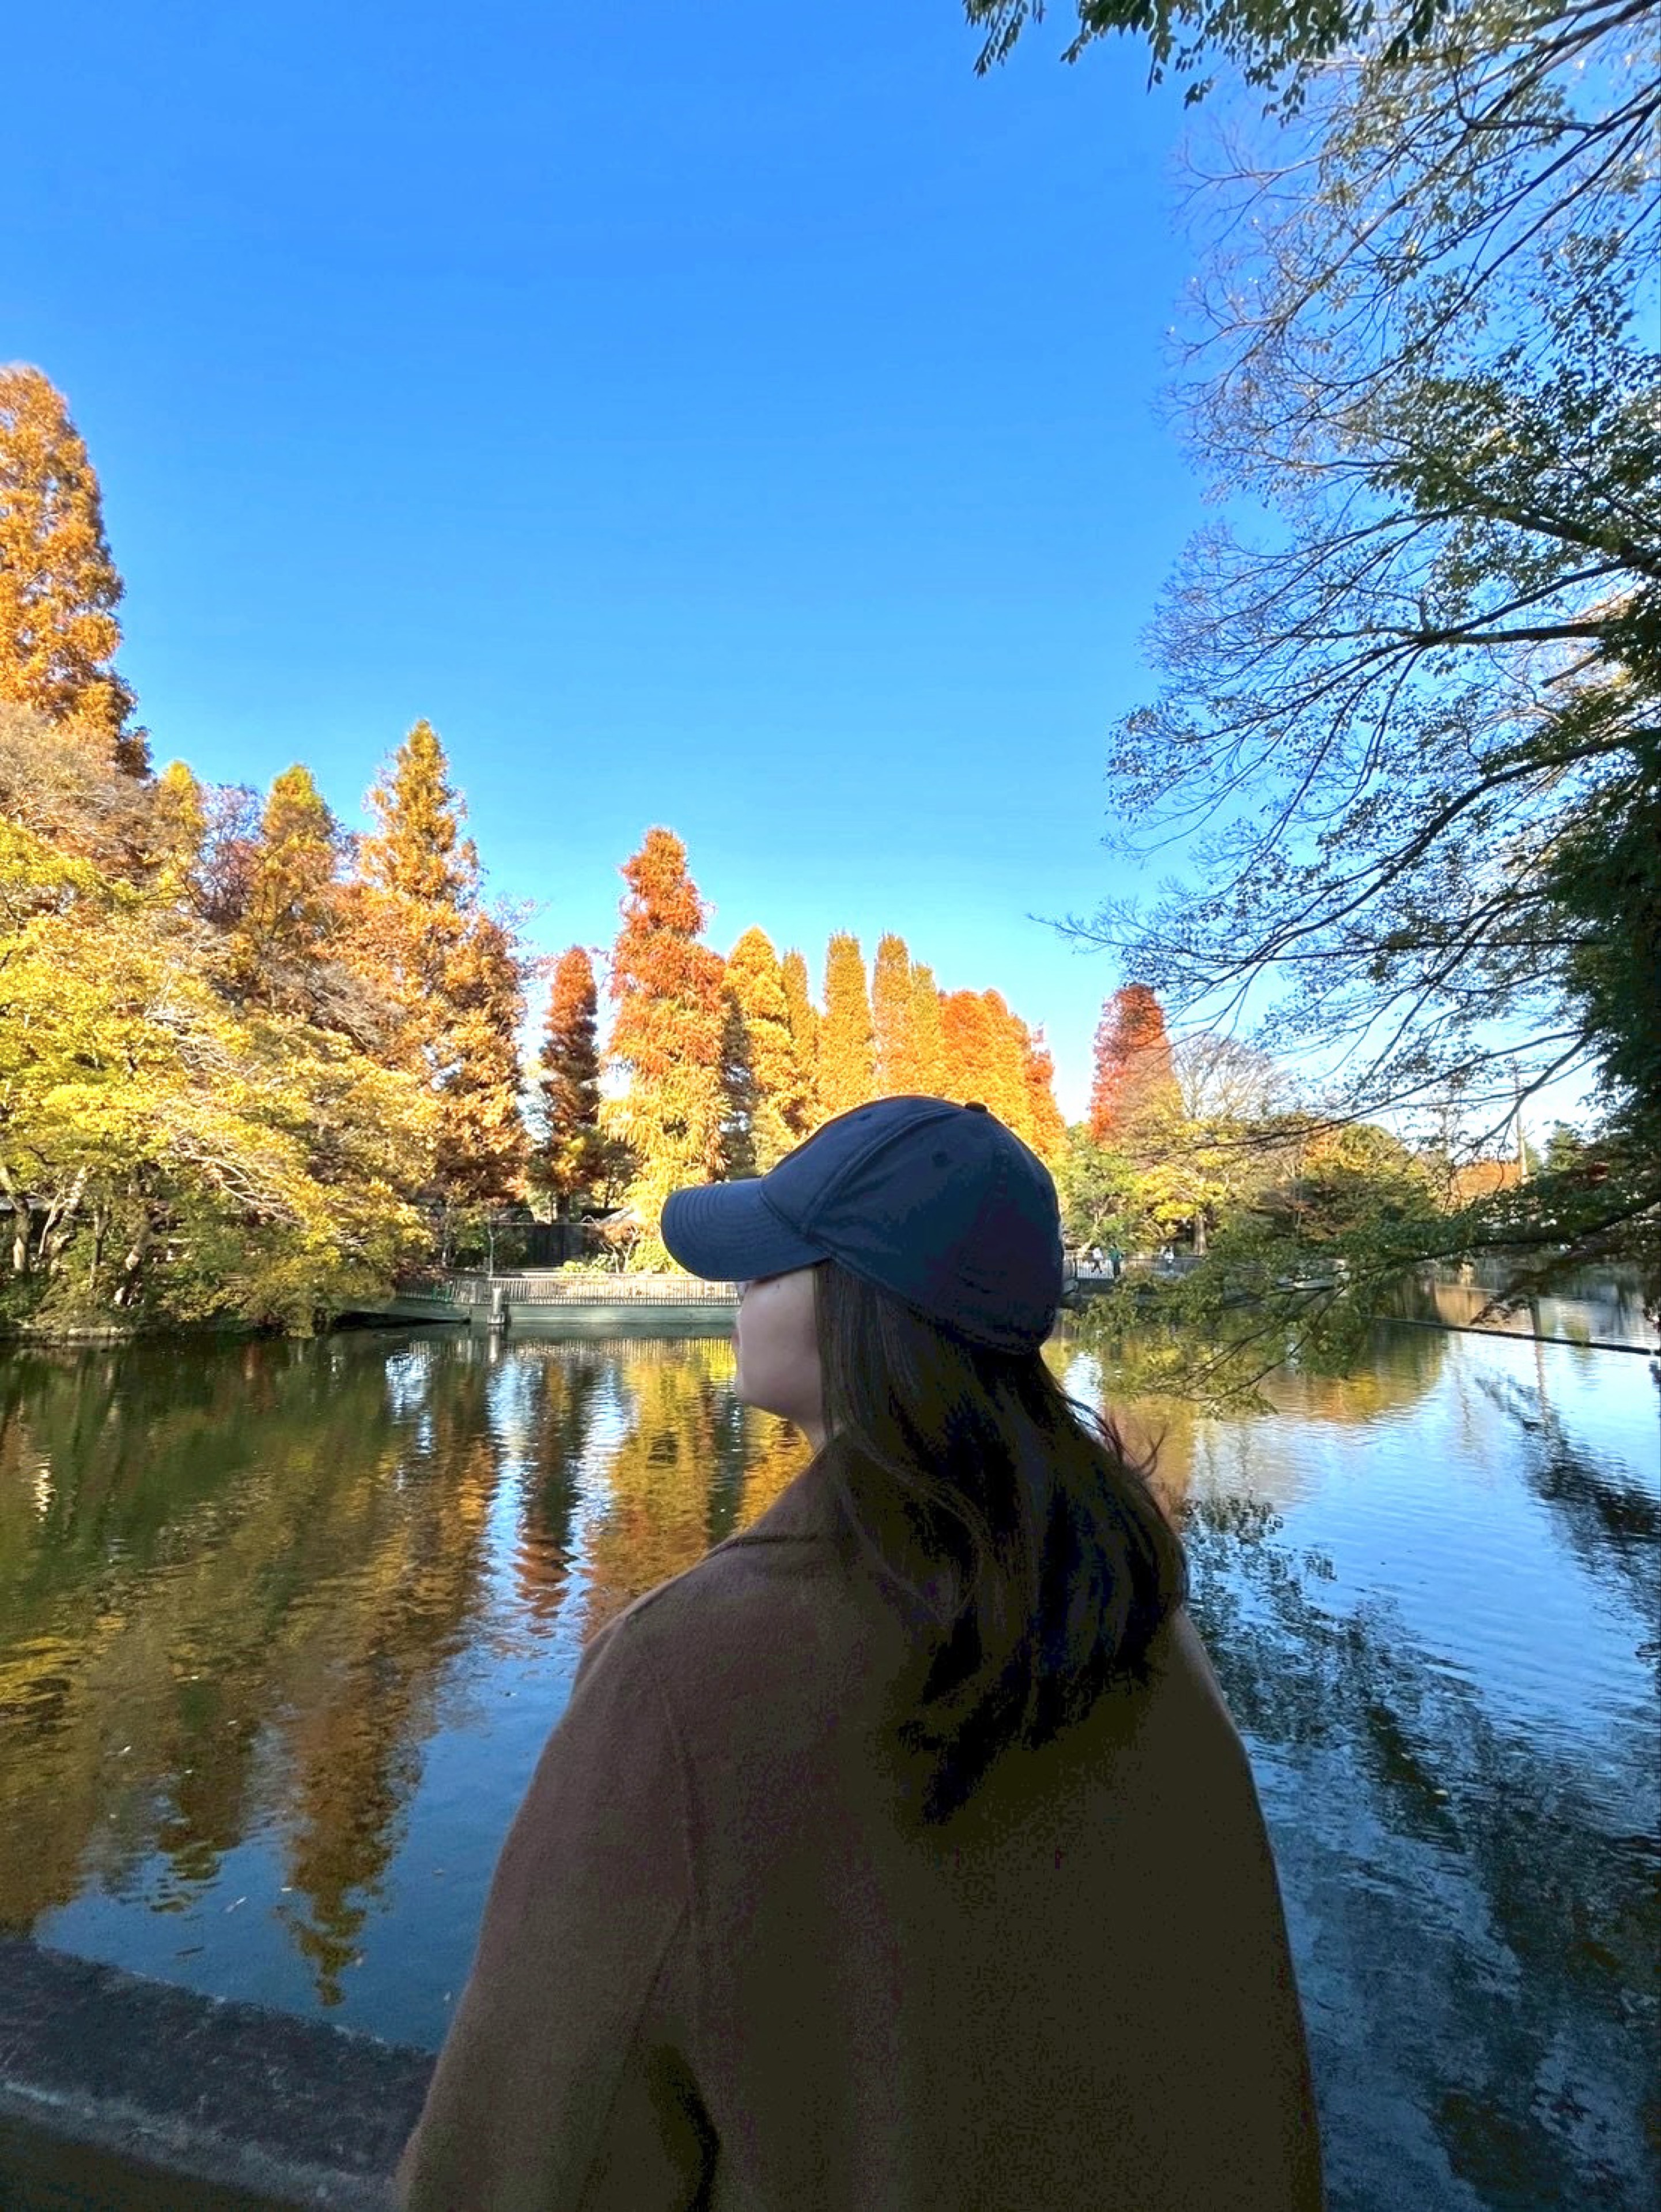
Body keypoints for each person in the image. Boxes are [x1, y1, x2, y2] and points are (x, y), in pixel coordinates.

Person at [394, 1096, 1325, 2211]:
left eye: (770, 1258)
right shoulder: (1138, 1619)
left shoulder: (685, 1678)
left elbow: (516, 2167)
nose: (736, 1285)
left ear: (859, 1303)